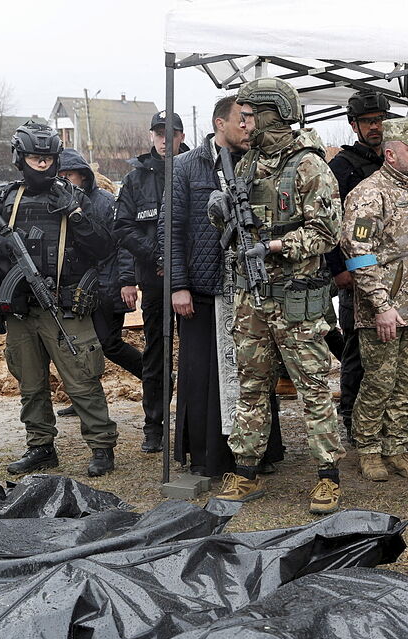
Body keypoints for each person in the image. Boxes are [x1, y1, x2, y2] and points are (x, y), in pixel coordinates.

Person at [211, 78, 345, 514]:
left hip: (295, 299)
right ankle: (246, 472)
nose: (243, 124)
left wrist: (275, 246)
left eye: (249, 116)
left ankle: (328, 477)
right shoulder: (246, 164)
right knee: (250, 386)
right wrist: (223, 214)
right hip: (253, 298)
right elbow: (233, 224)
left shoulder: (309, 166)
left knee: (312, 390)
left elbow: (327, 234)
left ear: (272, 115)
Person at [0, 122, 117, 476]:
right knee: (31, 385)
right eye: (35, 157)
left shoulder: (74, 197)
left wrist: (76, 215)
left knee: (82, 380)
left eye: (47, 158)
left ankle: (102, 446)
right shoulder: (4, 199)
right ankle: (41, 447)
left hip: (63, 307)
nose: (42, 164)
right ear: (20, 157)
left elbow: (104, 248)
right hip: (19, 310)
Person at [164, 94, 285, 479]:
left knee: (253, 372)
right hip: (202, 288)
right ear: (221, 123)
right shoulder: (186, 166)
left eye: (252, 120)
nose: (250, 127)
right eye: (243, 119)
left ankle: (255, 454)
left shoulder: (259, 164)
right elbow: (170, 229)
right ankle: (208, 457)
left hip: (249, 288)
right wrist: (178, 284)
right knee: (203, 376)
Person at [341, 118, 408, 483]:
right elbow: (358, 253)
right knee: (379, 382)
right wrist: (382, 306)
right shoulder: (369, 194)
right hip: (385, 313)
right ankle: (368, 448)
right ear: (390, 153)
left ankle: (396, 445)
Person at [115, 110, 187, 454]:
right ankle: (153, 426)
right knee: (156, 354)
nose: (163, 139)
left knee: (194, 353)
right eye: (158, 133)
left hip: (192, 280)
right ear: (151, 136)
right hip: (155, 282)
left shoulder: (195, 168)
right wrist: (156, 257)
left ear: (180, 135)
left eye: (170, 133)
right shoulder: (135, 179)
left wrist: (177, 262)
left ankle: (191, 424)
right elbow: (123, 229)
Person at [326, 88, 391, 440]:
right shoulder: (341, 166)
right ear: (354, 125)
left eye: (380, 120)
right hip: (355, 271)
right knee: (355, 347)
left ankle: (386, 414)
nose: (375, 127)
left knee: (388, 346)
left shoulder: (394, 159)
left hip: (389, 271)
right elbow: (328, 223)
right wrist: (339, 268)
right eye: (368, 121)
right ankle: (351, 415)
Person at [57, 148, 144, 381]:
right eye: (60, 176)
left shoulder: (104, 202)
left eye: (69, 176)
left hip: (107, 286)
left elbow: (124, 243)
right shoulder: (58, 205)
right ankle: (85, 400)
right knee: (78, 345)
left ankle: (155, 376)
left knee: (109, 343)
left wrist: (127, 281)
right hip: (76, 287)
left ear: (83, 176)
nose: (63, 181)